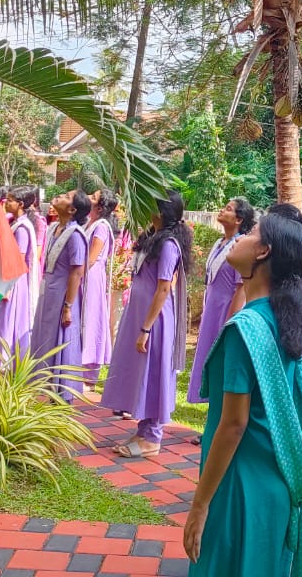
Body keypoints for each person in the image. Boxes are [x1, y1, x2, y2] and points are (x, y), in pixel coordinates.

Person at [183, 213, 302, 577]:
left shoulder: (246, 328)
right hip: (275, 483)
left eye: (252, 232)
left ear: (263, 251)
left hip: (237, 486)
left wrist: (200, 504)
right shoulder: (287, 319)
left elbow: (233, 425)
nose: (241, 237)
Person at [103, 191, 192, 456]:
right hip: (139, 313)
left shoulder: (169, 245)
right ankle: (143, 430)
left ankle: (153, 437)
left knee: (154, 371)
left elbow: (163, 288)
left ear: (162, 212)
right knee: (141, 370)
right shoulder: (152, 238)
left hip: (155, 319)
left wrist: (146, 327)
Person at [187, 198, 255, 404]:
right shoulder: (219, 243)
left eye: (228, 209)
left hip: (226, 309)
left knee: (222, 360)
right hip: (212, 307)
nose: (222, 211)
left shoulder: (241, 245)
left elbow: (241, 288)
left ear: (239, 219)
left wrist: (230, 320)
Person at [32, 189, 89, 401]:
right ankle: (46, 387)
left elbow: (77, 271)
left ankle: (63, 394)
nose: (60, 196)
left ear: (72, 209)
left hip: (63, 296)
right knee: (45, 338)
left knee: (61, 340)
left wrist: (68, 306)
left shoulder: (75, 235)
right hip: (49, 292)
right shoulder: (54, 228)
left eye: (66, 197)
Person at [0, 186, 38, 363]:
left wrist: (7, 288)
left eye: (10, 200)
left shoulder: (22, 228)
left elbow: (18, 259)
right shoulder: (15, 223)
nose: (6, 203)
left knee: (8, 321)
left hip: (13, 282)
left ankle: (4, 362)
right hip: (8, 278)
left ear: (20, 204)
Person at [80, 190, 117, 388]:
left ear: (100, 208)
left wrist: (77, 273)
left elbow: (92, 258)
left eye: (93, 197)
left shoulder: (101, 227)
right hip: (85, 275)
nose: (88, 197)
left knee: (91, 318)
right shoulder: (89, 223)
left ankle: (89, 373)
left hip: (91, 277)